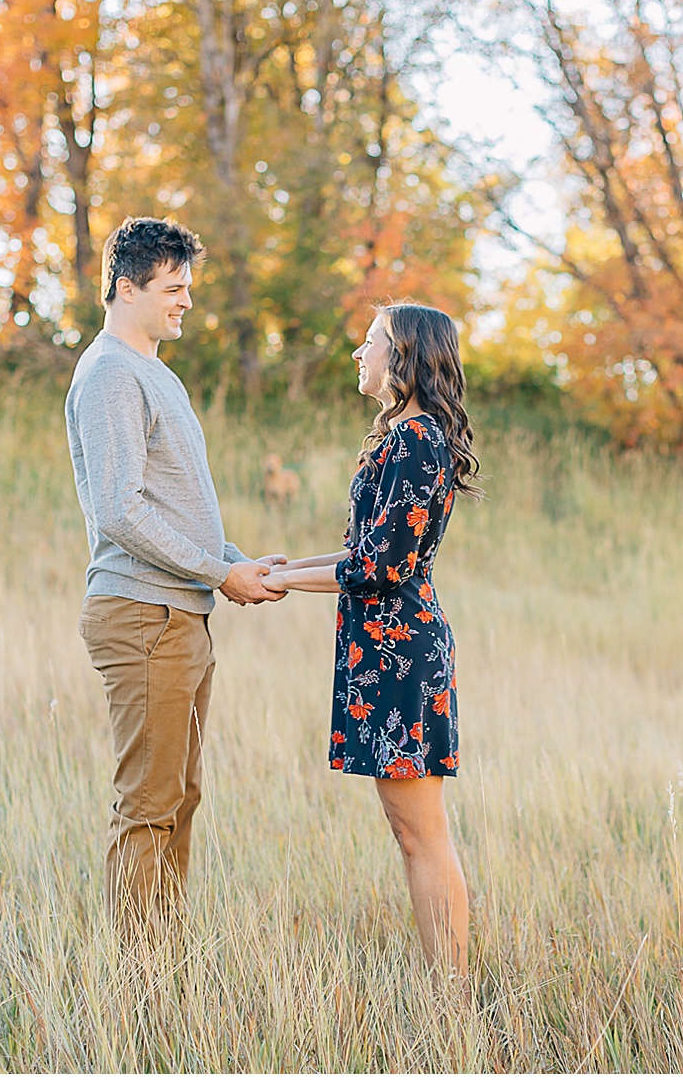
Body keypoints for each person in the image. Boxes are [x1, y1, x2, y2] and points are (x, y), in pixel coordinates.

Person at [64, 215, 285, 932]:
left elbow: (172, 508)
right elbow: (120, 511)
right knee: (148, 808)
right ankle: (137, 999)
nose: (186, 300)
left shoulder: (153, 373)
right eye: (173, 286)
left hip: (179, 614)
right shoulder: (108, 374)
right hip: (144, 615)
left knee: (180, 799)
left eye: (188, 286)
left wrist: (236, 560)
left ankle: (166, 968)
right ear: (126, 287)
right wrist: (221, 573)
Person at [262, 302, 481, 981]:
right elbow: (367, 550)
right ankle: (446, 985)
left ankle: (450, 997)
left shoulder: (417, 440)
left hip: (400, 655)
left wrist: (279, 582)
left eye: (370, 342)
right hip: (385, 652)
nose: (359, 353)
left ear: (405, 357)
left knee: (421, 833)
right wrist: (282, 569)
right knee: (410, 830)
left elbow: (380, 568)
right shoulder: (407, 436)